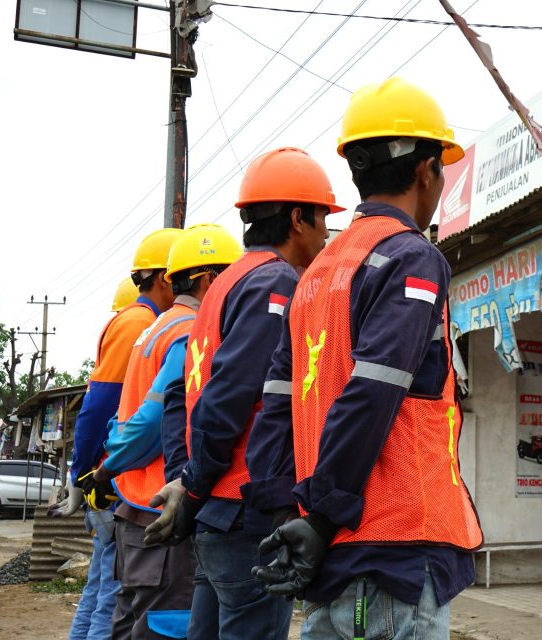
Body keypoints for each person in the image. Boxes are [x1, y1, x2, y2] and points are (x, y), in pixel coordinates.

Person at [252, 77, 482, 640]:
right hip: (392, 539)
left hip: (332, 549)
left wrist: (295, 515)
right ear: (427, 170)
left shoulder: (319, 272)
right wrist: (323, 515)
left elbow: (277, 403)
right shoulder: (410, 257)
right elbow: (374, 391)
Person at [143, 147, 341, 640]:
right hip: (242, 508)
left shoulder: (227, 282)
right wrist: (192, 485)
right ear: (298, 219)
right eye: (321, 220)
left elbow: (177, 399)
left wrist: (189, 483)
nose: (325, 234)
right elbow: (229, 397)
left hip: (217, 508)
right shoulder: (274, 282)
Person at [95, 224, 242, 640]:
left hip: (137, 503)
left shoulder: (155, 328)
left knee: (130, 622)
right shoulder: (189, 332)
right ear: (210, 279)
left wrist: (110, 465)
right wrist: (111, 465)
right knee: (164, 626)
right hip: (161, 507)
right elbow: (155, 418)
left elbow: (126, 413)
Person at [59, 228, 182, 640]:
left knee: (101, 592)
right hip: (121, 483)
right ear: (165, 277)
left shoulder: (140, 323)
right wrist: (89, 474)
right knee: (111, 599)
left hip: (114, 477)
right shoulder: (142, 323)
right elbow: (98, 406)